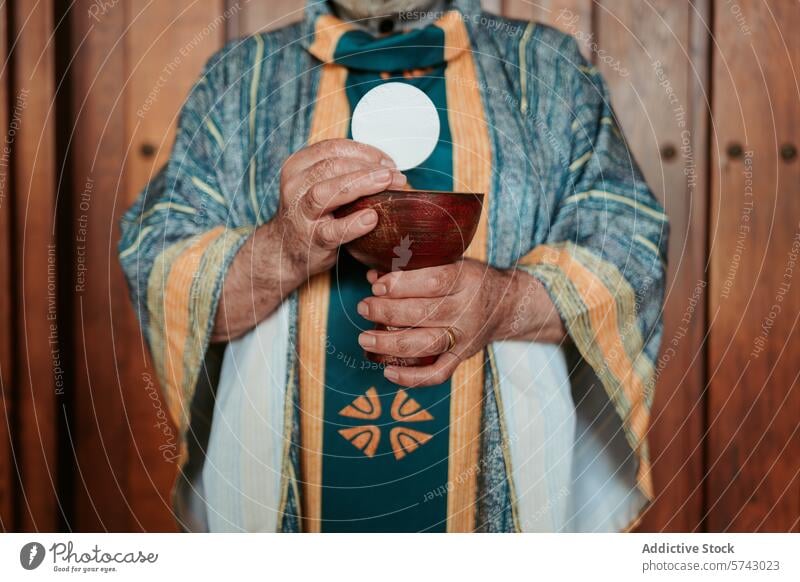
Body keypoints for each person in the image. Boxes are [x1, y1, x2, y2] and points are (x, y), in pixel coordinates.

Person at [119, 0, 668, 532]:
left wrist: (504, 303)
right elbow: (159, 266)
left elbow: (631, 250)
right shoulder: (242, 79)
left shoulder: (546, 69)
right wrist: (283, 249)